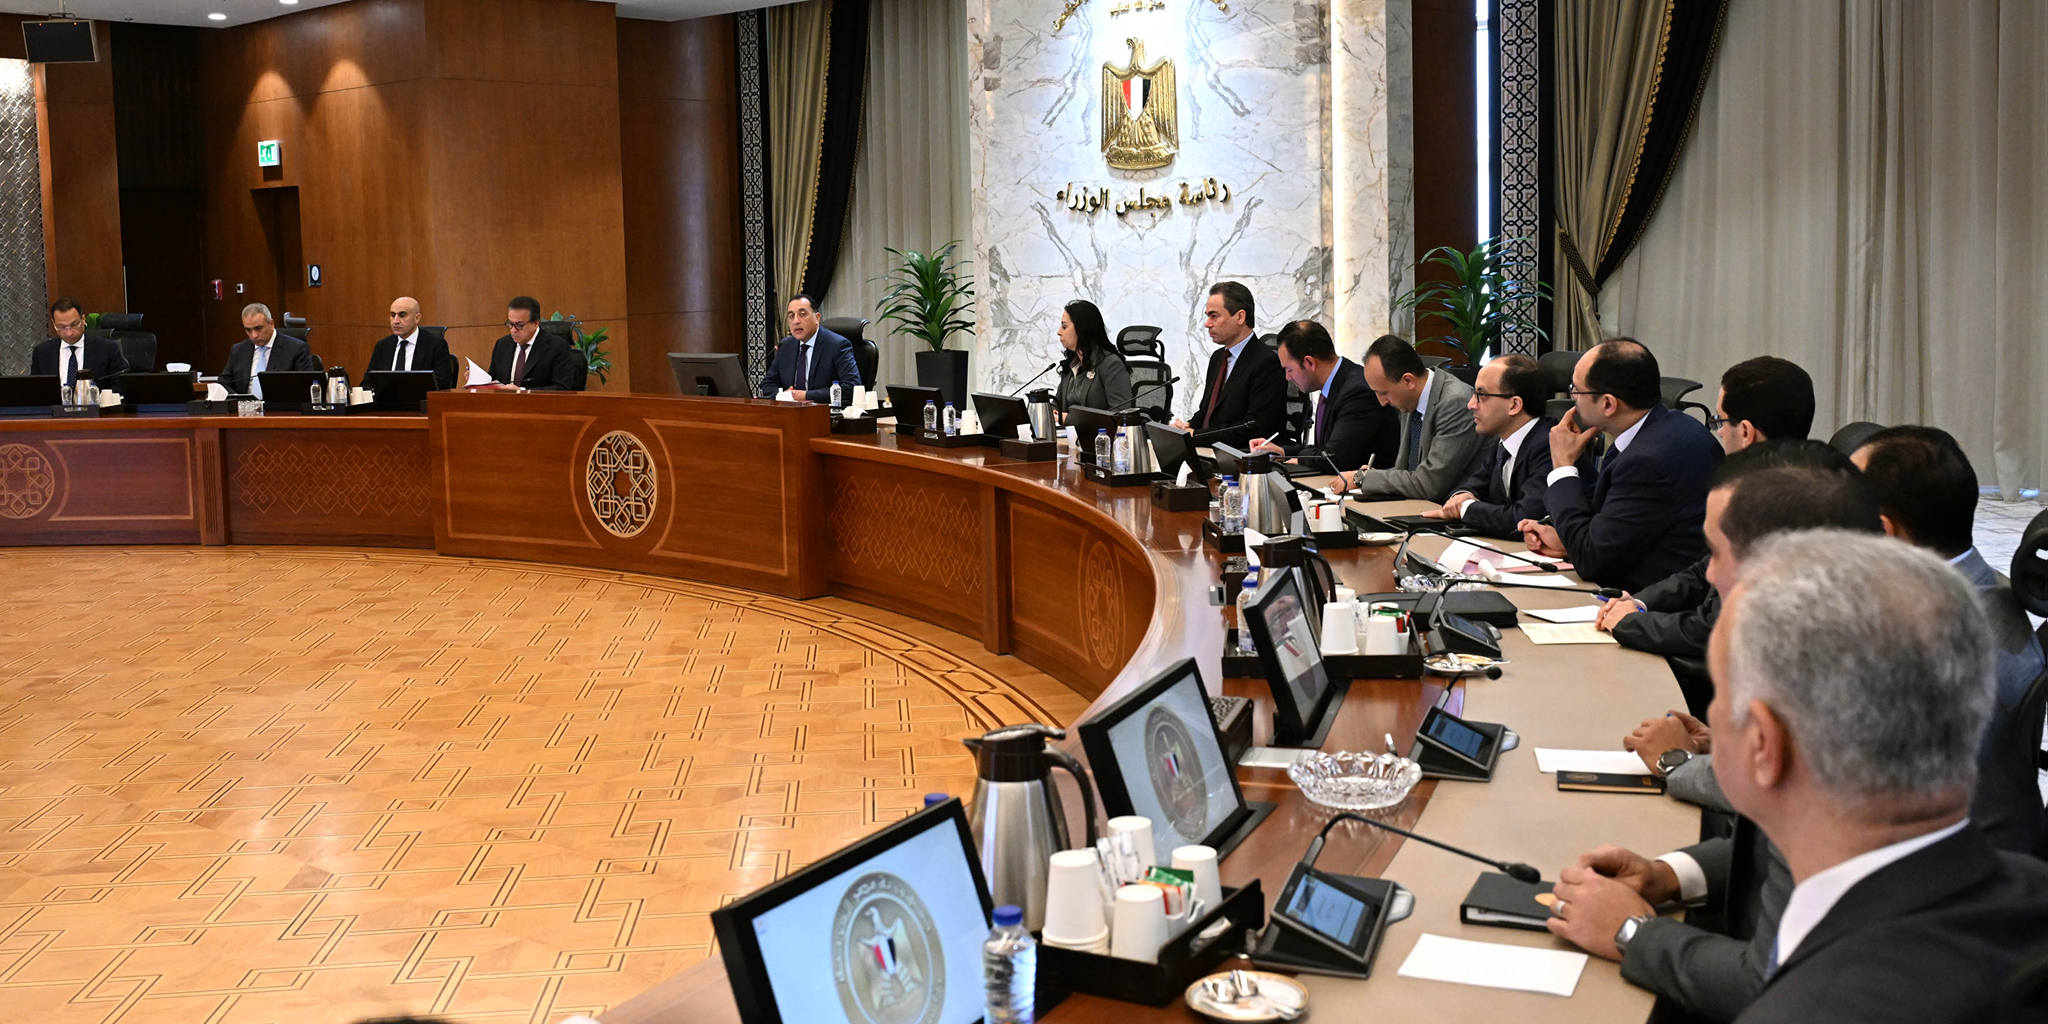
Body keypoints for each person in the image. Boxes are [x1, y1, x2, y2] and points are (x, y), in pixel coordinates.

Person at [1549, 532, 2048, 1024]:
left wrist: (1633, 932)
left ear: (1765, 744)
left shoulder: (1808, 1004)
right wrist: (1670, 874)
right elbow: (1790, 850)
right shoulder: (2019, 888)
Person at [1595, 356, 1817, 658]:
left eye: (1720, 421)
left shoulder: (1772, 509)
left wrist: (1631, 624)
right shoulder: (1799, 481)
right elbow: (1704, 571)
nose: (1719, 432)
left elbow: (1715, 628)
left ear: (1746, 432)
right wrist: (1640, 603)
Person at [1516, 338, 1720, 592]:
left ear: (1608, 404)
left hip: (1650, 599)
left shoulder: (1646, 461)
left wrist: (1562, 466)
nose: (1573, 398)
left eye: (1576, 390)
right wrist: (1570, 541)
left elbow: (1592, 562)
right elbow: (1611, 527)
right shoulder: (1673, 427)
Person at [1335, 334, 1487, 502]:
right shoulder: (1409, 401)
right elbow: (1406, 472)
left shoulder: (1455, 402)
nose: (1382, 402)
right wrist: (1369, 476)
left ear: (1408, 381)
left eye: (1383, 393)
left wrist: (1364, 478)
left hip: (1450, 510)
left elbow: (1429, 484)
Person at [1421, 353, 1553, 538]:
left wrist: (1465, 507)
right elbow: (1473, 485)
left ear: (1514, 405)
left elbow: (1524, 519)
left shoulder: (1550, 445)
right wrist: (1461, 497)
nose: (1471, 404)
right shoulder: (1503, 441)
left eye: (1481, 395)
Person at [1247, 319, 1396, 472]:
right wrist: (1283, 452)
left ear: (1309, 363)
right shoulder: (1335, 382)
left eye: (1289, 369)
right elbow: (1324, 448)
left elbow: (1334, 457)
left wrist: (1299, 459)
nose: (1287, 377)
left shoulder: (1357, 391)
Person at [1172, 281, 1286, 450]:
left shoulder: (1266, 362)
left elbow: (1254, 426)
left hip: (1241, 455)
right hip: (1209, 451)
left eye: (1214, 316)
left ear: (1240, 317)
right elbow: (1207, 412)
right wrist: (1186, 427)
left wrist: (1196, 436)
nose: (1207, 324)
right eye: (1207, 316)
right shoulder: (1218, 358)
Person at [757, 293, 859, 403]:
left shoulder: (837, 345)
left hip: (823, 410)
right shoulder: (785, 346)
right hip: (789, 409)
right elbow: (767, 384)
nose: (796, 321)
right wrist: (783, 395)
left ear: (817, 318)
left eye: (802, 314)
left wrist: (806, 395)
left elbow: (852, 387)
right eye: (791, 316)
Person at [220, 302, 320, 397]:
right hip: (245, 407)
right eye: (248, 330)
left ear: (271, 324)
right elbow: (223, 382)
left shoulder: (296, 349)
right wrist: (237, 399)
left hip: (280, 406)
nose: (254, 335)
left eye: (258, 328)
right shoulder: (238, 350)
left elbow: (306, 386)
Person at [1052, 299, 1133, 414]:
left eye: (1064, 327)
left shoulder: (1111, 364)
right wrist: (1050, 413)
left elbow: (1120, 415)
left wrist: (1069, 420)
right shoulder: (1071, 365)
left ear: (1082, 329)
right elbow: (1056, 405)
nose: (1059, 332)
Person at [487, 296, 582, 392]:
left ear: (536, 323)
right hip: (503, 401)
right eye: (510, 324)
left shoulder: (558, 347)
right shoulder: (502, 345)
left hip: (540, 401)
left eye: (519, 325)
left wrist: (522, 391)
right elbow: (491, 380)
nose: (513, 330)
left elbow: (561, 388)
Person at [30, 298, 127, 390]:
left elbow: (120, 387)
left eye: (74, 325)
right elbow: (36, 388)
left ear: (83, 319)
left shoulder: (107, 349)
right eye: (61, 327)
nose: (69, 333)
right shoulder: (42, 353)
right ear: (54, 324)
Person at [368, 297, 454, 389]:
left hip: (420, 397)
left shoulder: (436, 345)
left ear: (417, 318)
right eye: (393, 315)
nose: (396, 321)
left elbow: (442, 384)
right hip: (386, 398)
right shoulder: (383, 346)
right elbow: (368, 382)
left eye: (402, 315)